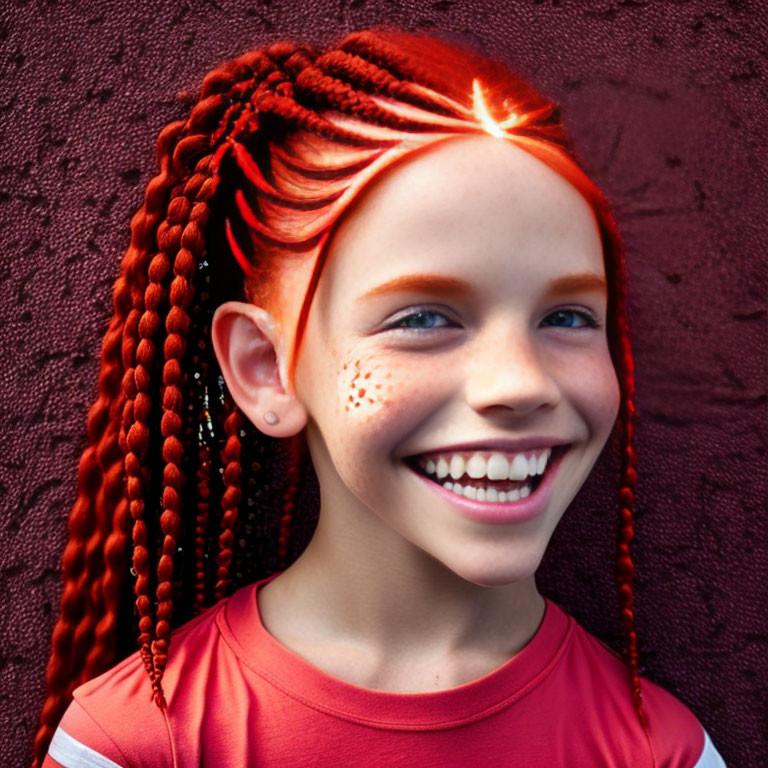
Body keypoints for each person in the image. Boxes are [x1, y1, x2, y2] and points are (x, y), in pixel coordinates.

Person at [34, 25, 725, 768]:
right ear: (267, 368)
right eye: (423, 318)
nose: (520, 382)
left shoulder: (661, 753)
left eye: (566, 317)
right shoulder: (134, 747)